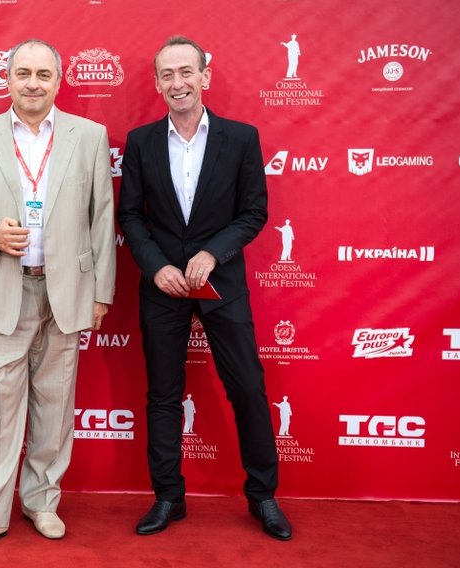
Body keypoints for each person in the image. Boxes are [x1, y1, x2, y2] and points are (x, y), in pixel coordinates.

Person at [0, 39, 115, 555]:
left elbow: (102, 217)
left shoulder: (89, 135)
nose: (33, 83)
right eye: (23, 73)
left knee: (55, 405)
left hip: (68, 291)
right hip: (2, 288)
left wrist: (101, 292)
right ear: (8, 79)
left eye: (43, 74)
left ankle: (42, 502)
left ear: (58, 81)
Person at [117, 35, 292, 541]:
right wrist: (156, 267)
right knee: (164, 395)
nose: (178, 83)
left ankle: (263, 496)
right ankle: (168, 497)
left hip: (223, 284)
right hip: (163, 287)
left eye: (186, 72)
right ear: (157, 84)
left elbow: (254, 212)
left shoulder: (241, 138)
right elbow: (131, 215)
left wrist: (213, 253)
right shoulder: (141, 142)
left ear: (204, 77)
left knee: (248, 388)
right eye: (167, 75)